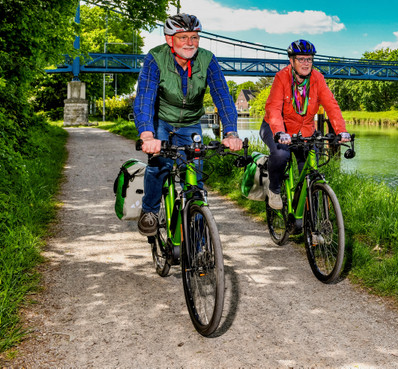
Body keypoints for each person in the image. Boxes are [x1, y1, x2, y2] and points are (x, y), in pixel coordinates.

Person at [133, 13, 243, 235]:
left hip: (191, 124)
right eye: (183, 37)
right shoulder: (155, 58)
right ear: (169, 39)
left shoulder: (207, 60)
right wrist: (147, 135)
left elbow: (222, 96)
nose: (189, 43)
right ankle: (150, 210)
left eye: (194, 37)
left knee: (194, 181)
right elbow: (145, 98)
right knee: (159, 164)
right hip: (161, 121)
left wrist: (231, 132)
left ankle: (199, 246)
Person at [260, 39, 351, 209]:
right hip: (277, 128)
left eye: (309, 59)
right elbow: (273, 108)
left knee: (310, 170)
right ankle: (274, 190)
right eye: (301, 59)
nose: (306, 63)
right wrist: (279, 132)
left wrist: (341, 130)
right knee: (281, 155)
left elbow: (331, 105)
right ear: (291, 61)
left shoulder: (318, 78)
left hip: (305, 131)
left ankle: (310, 221)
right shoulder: (281, 77)